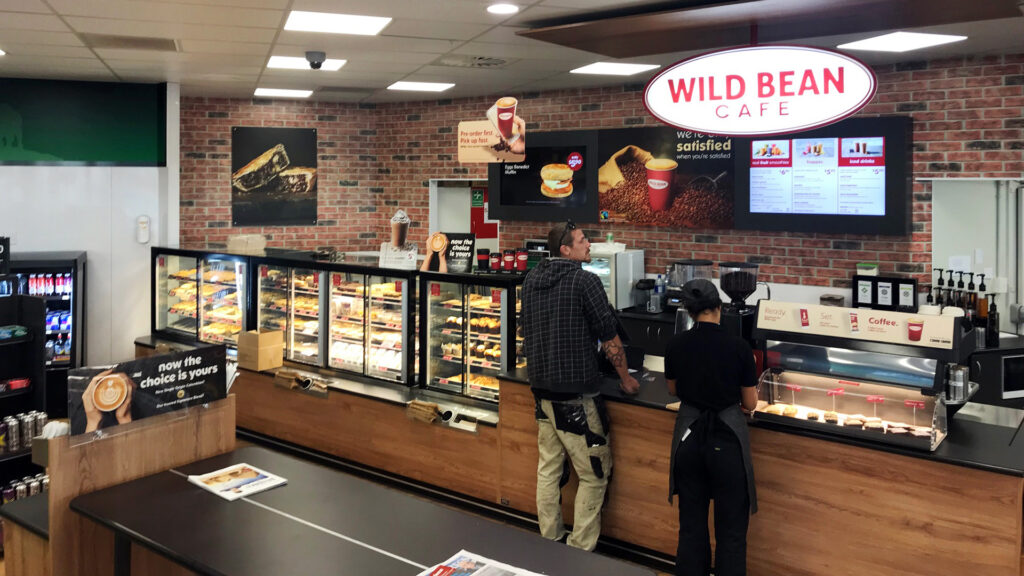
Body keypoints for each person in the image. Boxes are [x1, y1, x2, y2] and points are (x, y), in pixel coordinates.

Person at [521, 220, 640, 551]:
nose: (590, 244)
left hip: (542, 394)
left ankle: (550, 541)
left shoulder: (531, 279)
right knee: (593, 473)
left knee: (549, 470)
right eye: (584, 240)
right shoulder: (585, 281)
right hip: (576, 398)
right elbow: (609, 336)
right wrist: (627, 379)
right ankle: (580, 552)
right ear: (566, 249)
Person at [664, 279, 758, 576]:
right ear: (719, 307)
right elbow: (751, 402)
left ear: (690, 313)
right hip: (726, 441)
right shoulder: (739, 347)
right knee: (730, 533)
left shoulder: (676, 344)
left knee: (691, 529)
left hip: (689, 439)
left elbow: (672, 389)